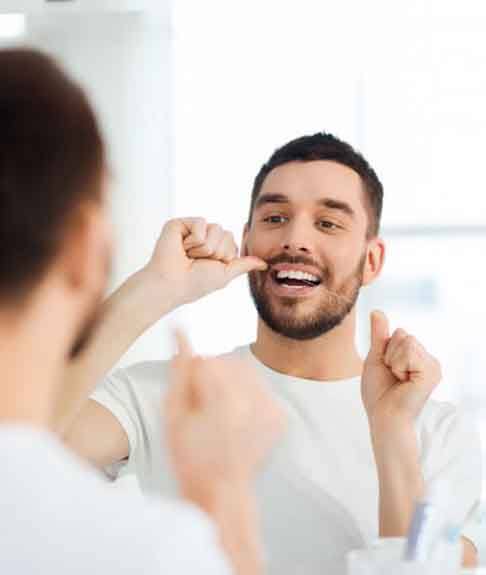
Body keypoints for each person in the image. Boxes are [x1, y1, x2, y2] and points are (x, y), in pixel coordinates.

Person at [60, 134, 482, 568]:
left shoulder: (439, 435)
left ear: (371, 261)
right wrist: (154, 289)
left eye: (328, 223)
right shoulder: (171, 394)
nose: (295, 239)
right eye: (276, 217)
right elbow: (19, 437)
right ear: (246, 244)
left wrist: (394, 434)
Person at [0, 47, 288, 575]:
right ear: (87, 245)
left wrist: (157, 289)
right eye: (275, 216)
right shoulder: (145, 551)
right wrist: (224, 498)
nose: (295, 239)